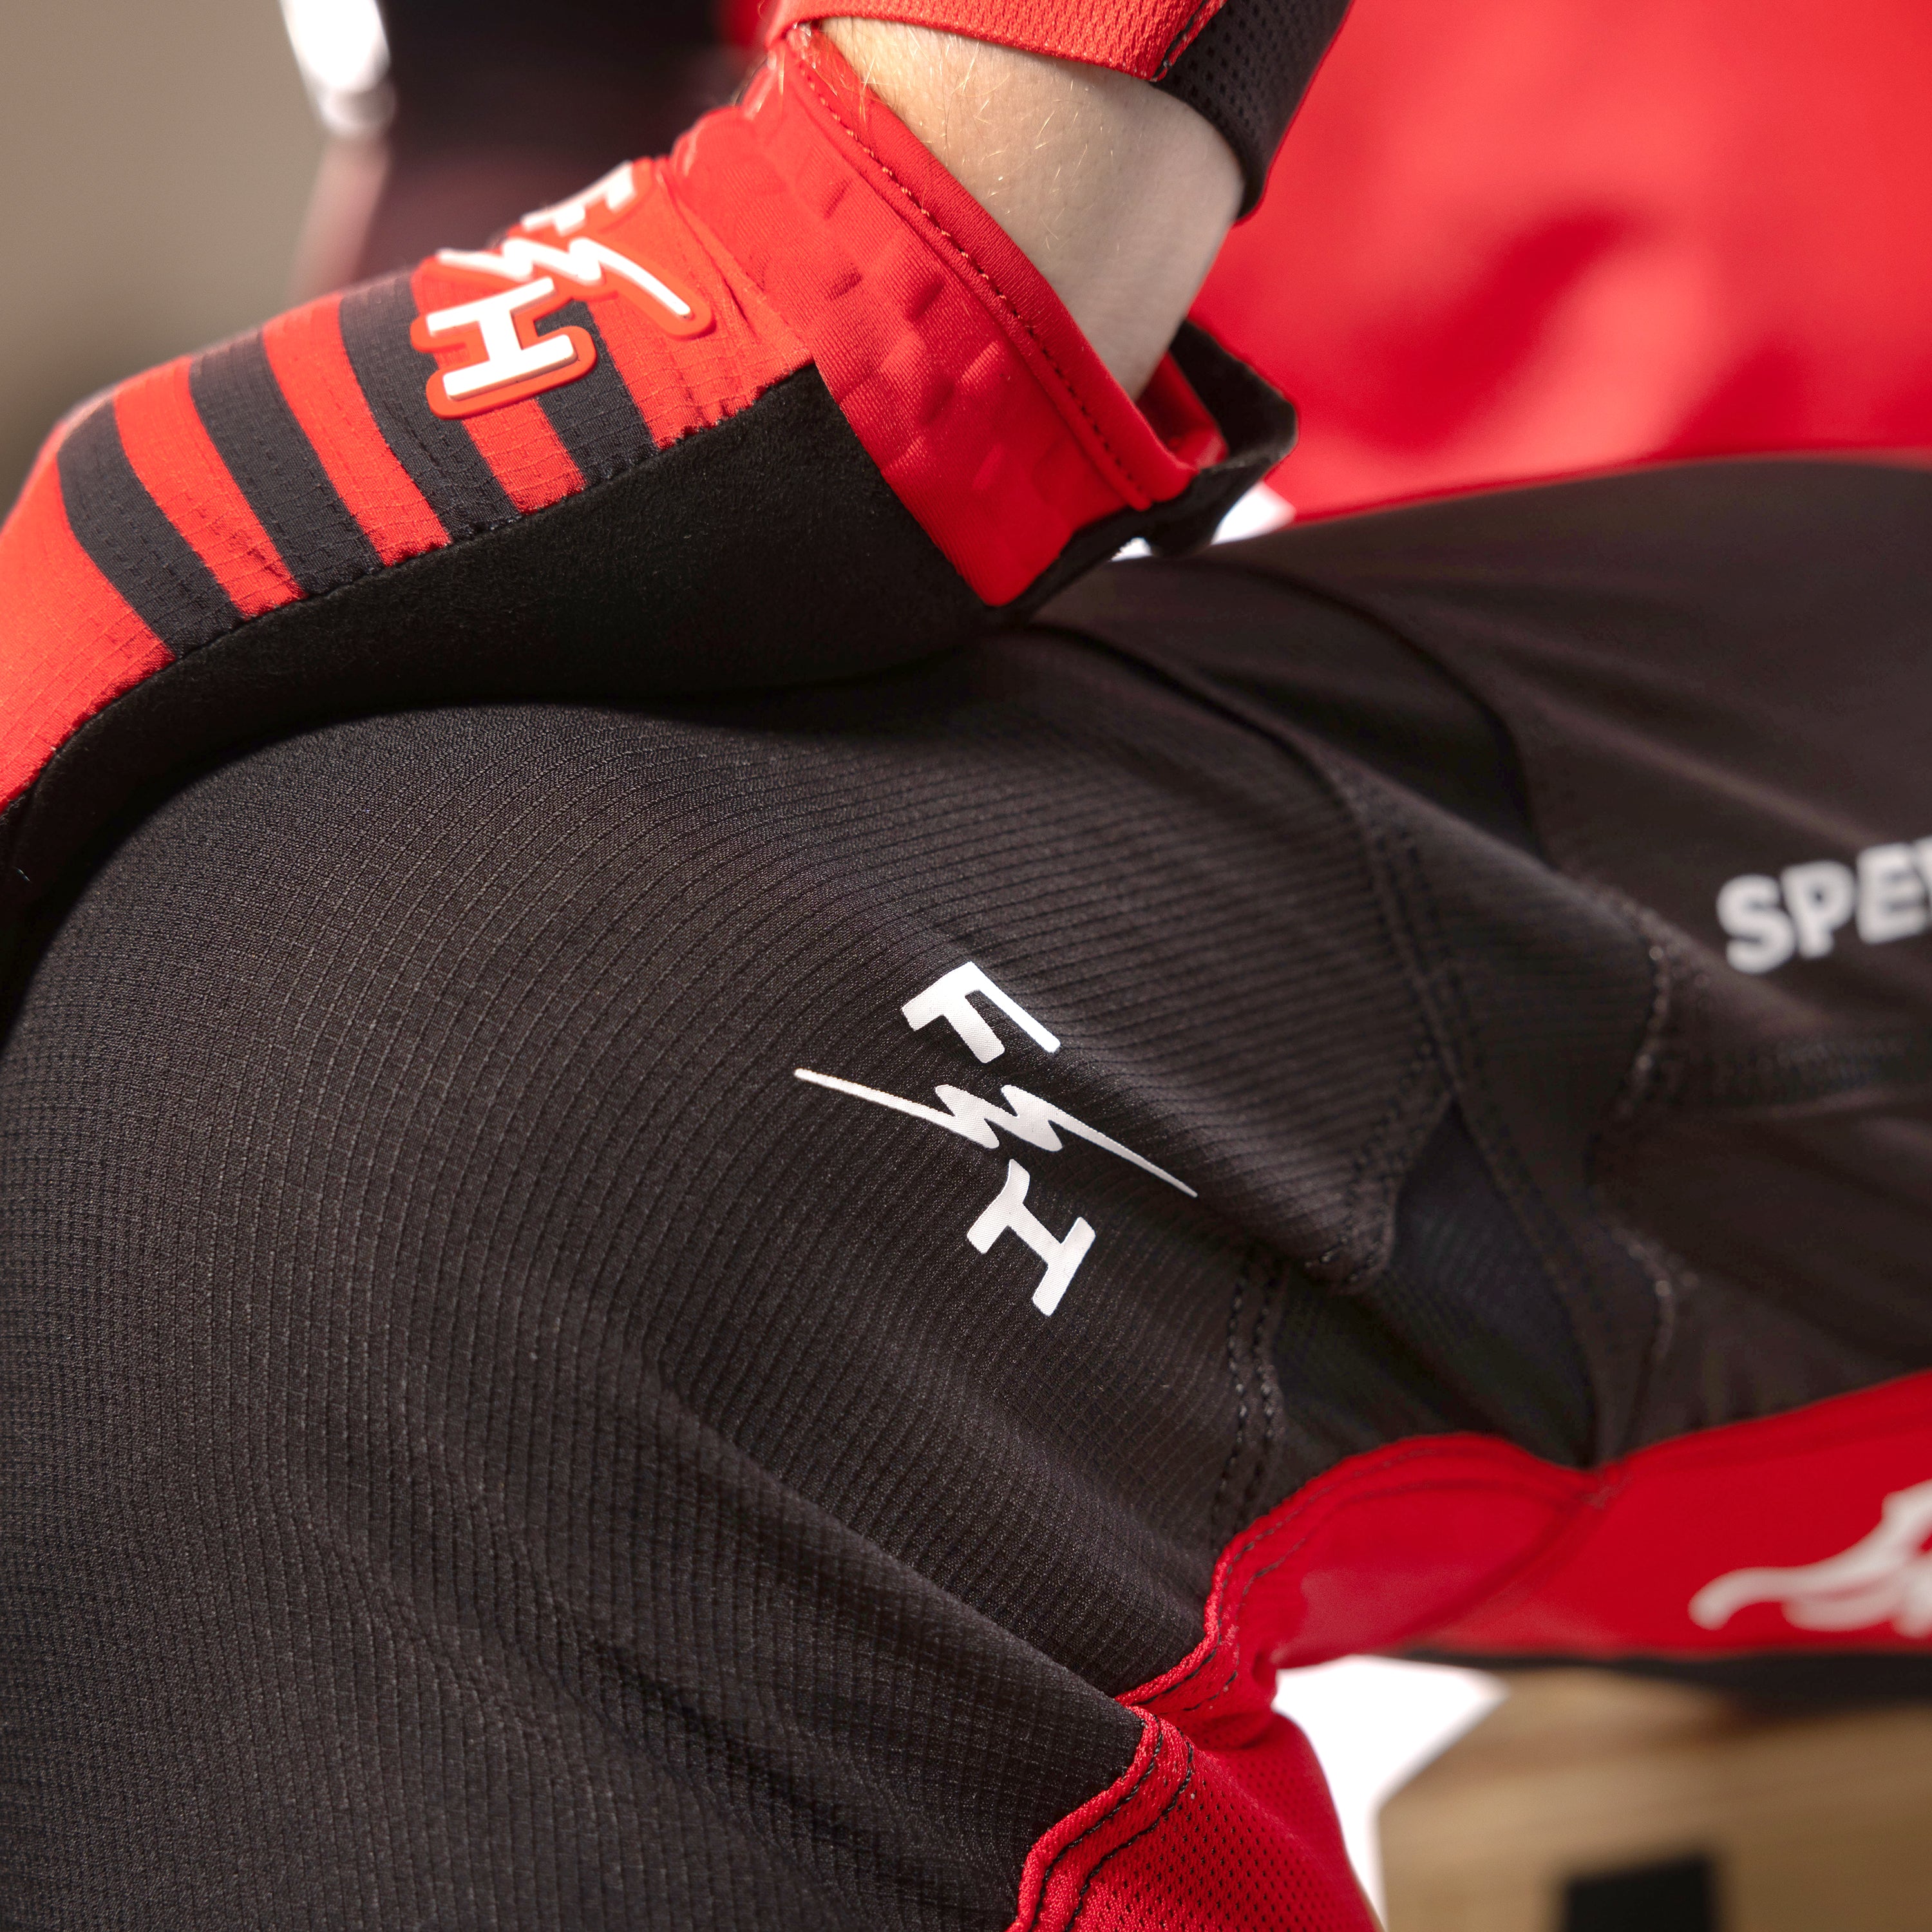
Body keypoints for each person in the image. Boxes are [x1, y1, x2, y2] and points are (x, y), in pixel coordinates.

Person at [3, 7, 1931, 1929]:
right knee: (267, 1079)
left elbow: (889, 292)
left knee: (483, 1067)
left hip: (1731, 855)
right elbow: (533, 102)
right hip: (1511, 764)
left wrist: (120, 571)